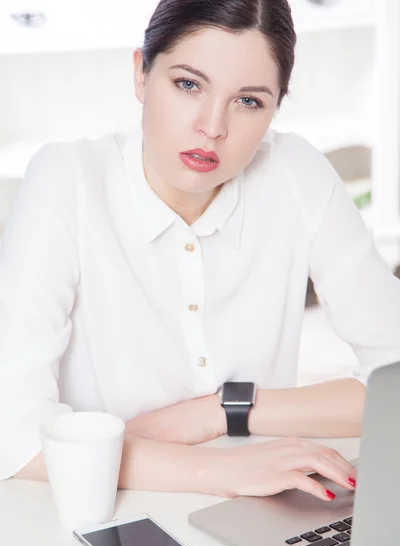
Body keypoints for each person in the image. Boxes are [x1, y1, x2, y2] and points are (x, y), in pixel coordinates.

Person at [1, 0, 400, 501]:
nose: (213, 127)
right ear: (142, 74)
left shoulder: (296, 173)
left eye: (249, 101)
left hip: (266, 500)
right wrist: (219, 472)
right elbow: (12, 430)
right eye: (188, 84)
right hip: (108, 507)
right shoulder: (68, 180)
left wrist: (221, 412)